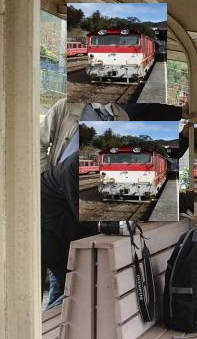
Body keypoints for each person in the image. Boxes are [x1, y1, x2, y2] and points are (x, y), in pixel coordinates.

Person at [40, 98, 131, 308]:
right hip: (56, 217)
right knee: (68, 280)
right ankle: (55, 319)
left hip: (72, 206)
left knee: (75, 279)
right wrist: (46, 175)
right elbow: (38, 142)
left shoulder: (121, 116)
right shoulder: (67, 107)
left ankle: (63, 316)